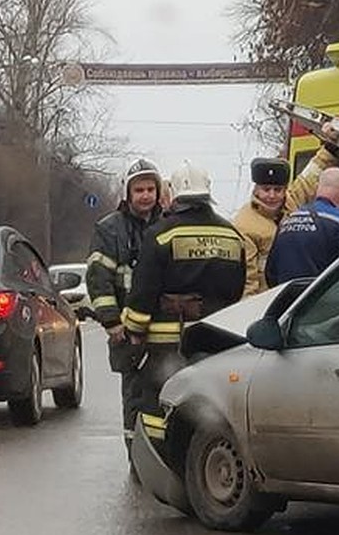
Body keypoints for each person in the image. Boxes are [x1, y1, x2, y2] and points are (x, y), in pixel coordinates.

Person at [120, 161, 246, 450]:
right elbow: (237, 290)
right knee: (211, 401)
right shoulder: (231, 234)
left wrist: (134, 331)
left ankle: (161, 459)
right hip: (217, 336)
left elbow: (143, 292)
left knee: (158, 400)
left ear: (173, 194)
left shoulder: (161, 234)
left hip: (168, 343)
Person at [85, 157, 164, 456]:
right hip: (126, 331)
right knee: (134, 394)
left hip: (162, 326)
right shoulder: (109, 229)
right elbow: (98, 279)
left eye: (150, 189)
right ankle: (136, 454)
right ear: (127, 194)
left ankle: (162, 454)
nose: (145, 195)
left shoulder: (167, 224)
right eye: (139, 190)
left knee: (163, 393)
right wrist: (112, 322)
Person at [265, 165, 339, 288]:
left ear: (317, 189)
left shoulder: (287, 221)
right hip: (321, 303)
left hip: (287, 302)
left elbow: (270, 273)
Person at [232, 156, 290, 297]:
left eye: (277, 190)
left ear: (285, 191)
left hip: (291, 296)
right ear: (256, 189)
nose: (272, 195)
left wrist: (329, 150)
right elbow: (248, 278)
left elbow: (307, 183)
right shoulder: (243, 225)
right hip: (265, 301)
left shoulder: (290, 206)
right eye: (266, 189)